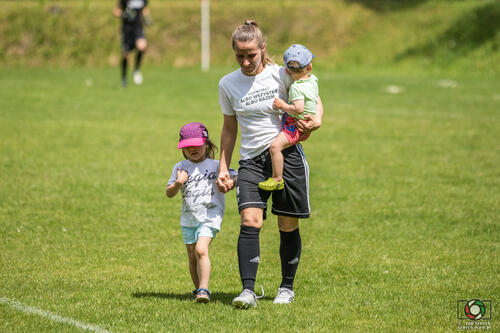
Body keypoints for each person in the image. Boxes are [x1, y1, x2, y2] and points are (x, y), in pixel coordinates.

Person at [216, 20, 323, 309]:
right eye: (240, 56)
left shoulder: (282, 74)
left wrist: (318, 119)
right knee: (250, 220)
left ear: (263, 49)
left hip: (286, 157)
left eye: (251, 54)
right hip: (251, 161)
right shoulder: (227, 84)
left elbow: (313, 93)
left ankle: (286, 288)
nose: (246, 61)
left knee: (287, 224)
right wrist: (223, 167)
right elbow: (229, 128)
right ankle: (248, 292)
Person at [166, 122, 237, 303]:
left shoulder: (215, 165)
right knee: (192, 256)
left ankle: (204, 290)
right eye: (187, 146)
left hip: (210, 217)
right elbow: (169, 193)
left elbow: (236, 175)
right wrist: (178, 183)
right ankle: (198, 290)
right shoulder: (180, 167)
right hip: (188, 219)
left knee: (200, 249)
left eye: (196, 145)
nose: (192, 149)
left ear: (206, 143)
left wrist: (230, 183)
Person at [259, 44, 319, 191]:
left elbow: (298, 109)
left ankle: (277, 178)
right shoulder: (313, 80)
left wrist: (282, 105)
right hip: (306, 123)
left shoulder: (296, 87)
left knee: (275, 147)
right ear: (309, 67)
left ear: (286, 70)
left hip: (296, 125)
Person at [113, 0, 152, 87]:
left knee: (142, 46)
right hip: (126, 30)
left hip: (138, 28)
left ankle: (136, 69)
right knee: (125, 54)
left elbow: (144, 9)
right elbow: (116, 11)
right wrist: (124, 15)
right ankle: (124, 78)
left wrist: (147, 18)